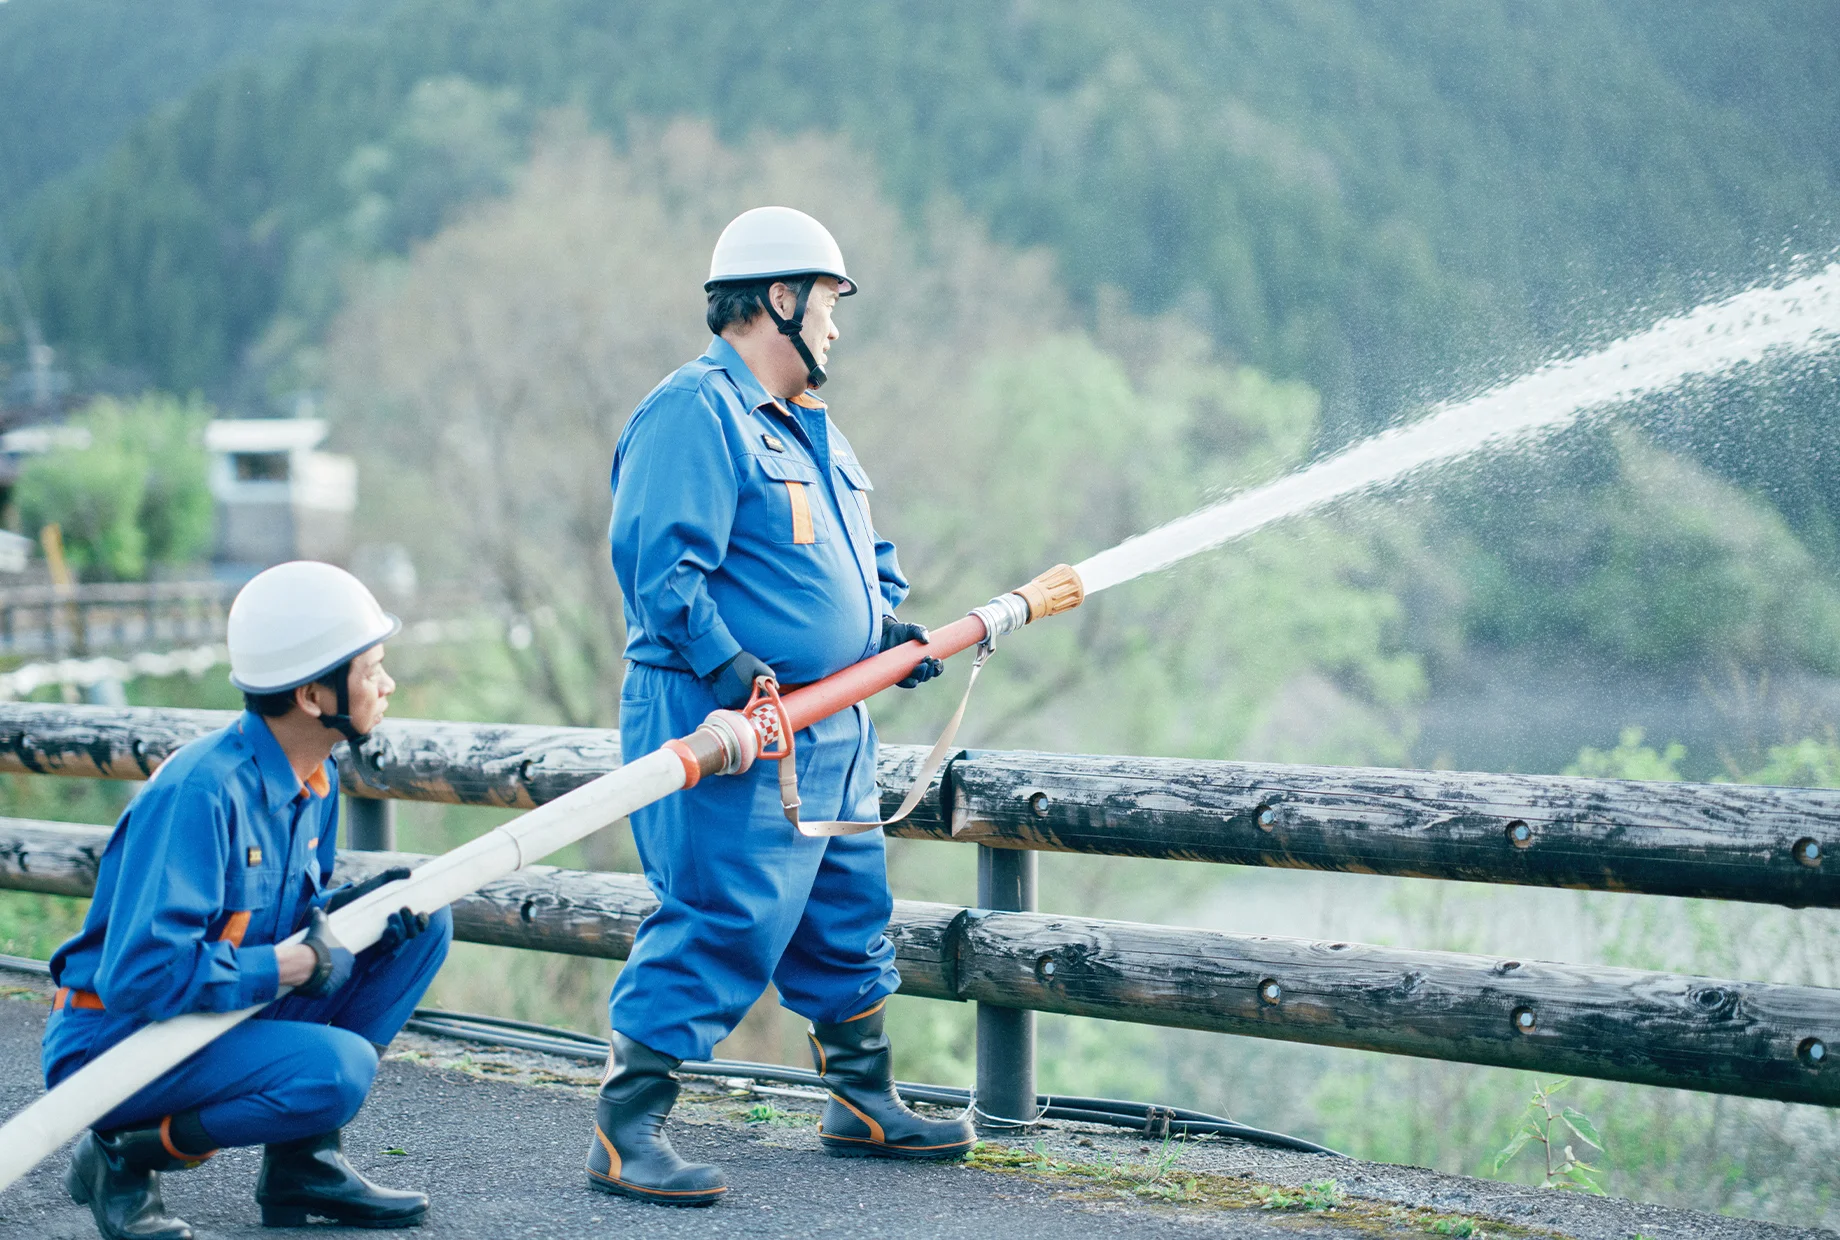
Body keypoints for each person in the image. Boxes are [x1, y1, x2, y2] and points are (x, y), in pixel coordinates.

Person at [595, 205, 972, 1206]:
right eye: (828, 302)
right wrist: (725, 669)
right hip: (733, 723)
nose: (838, 326)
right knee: (720, 911)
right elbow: (656, 563)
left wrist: (887, 629)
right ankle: (626, 1131)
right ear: (777, 299)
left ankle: (860, 1101)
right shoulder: (696, 411)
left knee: (847, 911)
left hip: (834, 724)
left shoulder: (813, 428)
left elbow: (862, 558)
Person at [42, 561, 451, 1240]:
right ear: (315, 695)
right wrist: (287, 968)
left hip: (213, 1010)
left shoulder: (314, 779)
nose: (387, 683)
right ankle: (122, 1149)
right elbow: (141, 978)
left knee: (422, 923)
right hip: (117, 1042)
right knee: (337, 1071)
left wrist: (359, 909)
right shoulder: (201, 795)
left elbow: (283, 922)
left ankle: (303, 1166)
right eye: (371, 668)